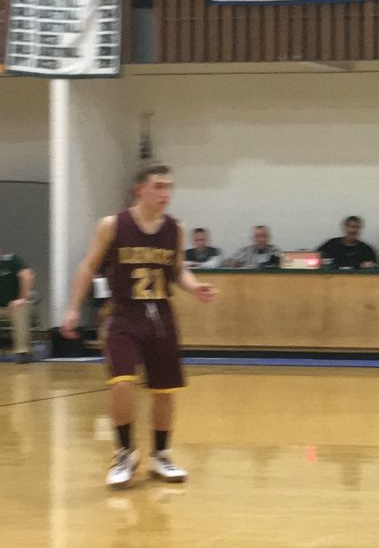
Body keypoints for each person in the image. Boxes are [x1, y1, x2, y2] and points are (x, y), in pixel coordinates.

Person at [60, 164, 218, 488]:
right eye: (158, 186)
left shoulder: (175, 228)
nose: (165, 193)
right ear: (140, 189)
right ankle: (124, 454)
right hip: (123, 315)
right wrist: (72, 308)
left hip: (160, 316)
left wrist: (195, 287)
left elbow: (177, 270)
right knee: (121, 383)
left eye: (169, 187)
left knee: (164, 391)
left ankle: (161, 455)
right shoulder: (112, 225)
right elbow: (88, 266)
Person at [0, 247, 34, 363]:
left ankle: (22, 352)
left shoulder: (12, 260)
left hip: (15, 305)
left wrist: (22, 298)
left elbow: (27, 275)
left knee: (20, 309)